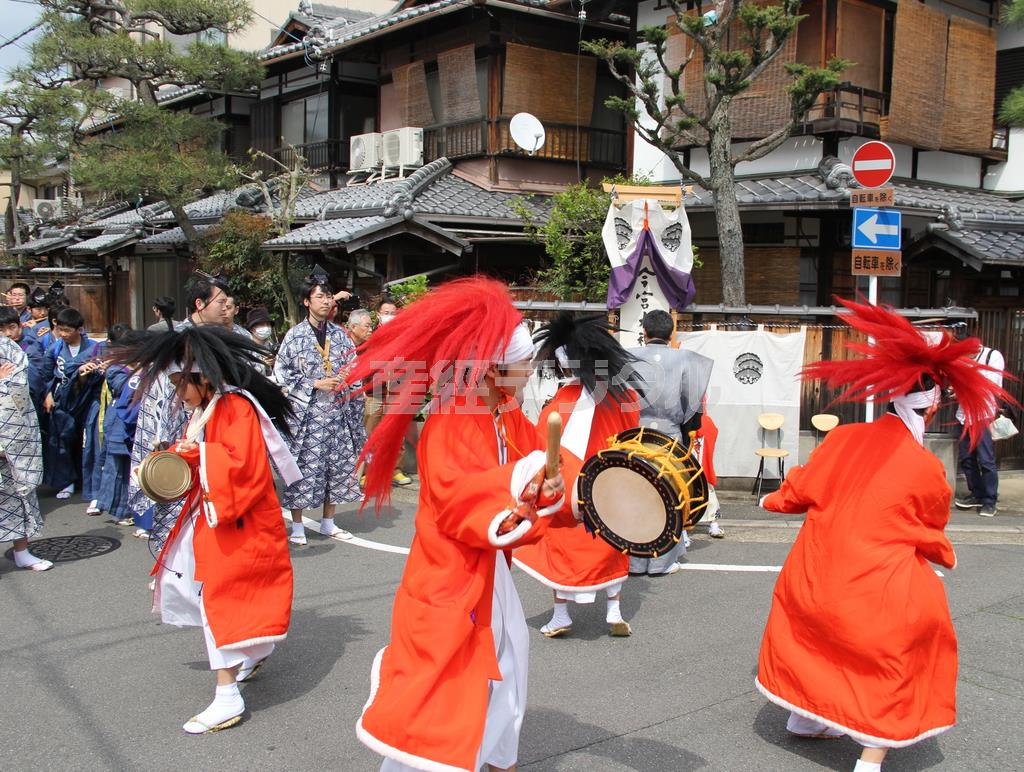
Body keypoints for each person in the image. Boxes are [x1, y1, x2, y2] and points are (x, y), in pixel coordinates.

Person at [755, 298, 1013, 772]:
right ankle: (871, 757)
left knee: (813, 638)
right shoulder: (928, 470)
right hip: (872, 591)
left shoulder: (844, 439)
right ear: (934, 404)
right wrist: (943, 556)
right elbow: (930, 533)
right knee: (915, 634)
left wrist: (769, 501)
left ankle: (806, 720)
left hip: (812, 581)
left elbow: (794, 494)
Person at [343, 276, 567, 772]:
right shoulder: (452, 416)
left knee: (500, 671)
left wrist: (558, 482)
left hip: (486, 576)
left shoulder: (502, 409)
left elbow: (542, 463)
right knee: (438, 695)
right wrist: (529, 479)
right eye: (524, 362)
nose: (530, 371)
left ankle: (491, 758)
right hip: (451, 575)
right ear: (494, 369)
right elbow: (460, 499)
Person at [110, 325, 301, 735]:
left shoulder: (234, 406)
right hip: (220, 516)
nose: (179, 390)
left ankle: (227, 694)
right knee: (219, 596)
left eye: (182, 381)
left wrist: (195, 454)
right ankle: (252, 653)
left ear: (203, 376)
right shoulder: (211, 406)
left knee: (220, 600)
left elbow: (242, 466)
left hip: (236, 519)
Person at [514, 312, 641, 638]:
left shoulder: (559, 402)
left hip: (569, 489)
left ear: (565, 364)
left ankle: (561, 615)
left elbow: (541, 446)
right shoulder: (623, 397)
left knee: (561, 546)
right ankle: (613, 611)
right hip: (612, 482)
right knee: (613, 542)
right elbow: (633, 436)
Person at [275, 269, 366, 545]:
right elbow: (282, 372)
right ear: (307, 301)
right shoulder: (294, 336)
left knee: (335, 467)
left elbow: (352, 366)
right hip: (308, 416)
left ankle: (329, 522)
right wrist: (314, 383)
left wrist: (344, 380)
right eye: (319, 297)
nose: (326, 302)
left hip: (337, 412)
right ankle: (299, 525)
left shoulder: (339, 335)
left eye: (328, 297)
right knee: (302, 468)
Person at [627, 309, 714, 574]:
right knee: (668, 496)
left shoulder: (626, 356)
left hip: (634, 435)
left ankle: (633, 560)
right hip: (670, 435)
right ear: (671, 334)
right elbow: (694, 407)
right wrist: (688, 431)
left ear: (644, 333)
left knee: (635, 495)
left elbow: (613, 397)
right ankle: (661, 562)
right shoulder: (686, 359)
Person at [0, 332, 52, 571]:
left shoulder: (7, 346)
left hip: (11, 431)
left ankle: (22, 551)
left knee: (19, 492)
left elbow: (17, 383)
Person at [42, 307, 102, 500]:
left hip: (87, 399)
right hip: (62, 399)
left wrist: (84, 374)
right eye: (60, 330)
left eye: (68, 330)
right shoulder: (55, 348)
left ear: (80, 329)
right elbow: (45, 375)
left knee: (87, 441)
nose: (63, 334)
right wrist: (48, 394)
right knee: (63, 439)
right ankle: (66, 481)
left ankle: (87, 480)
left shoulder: (93, 347)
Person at [952, 324, 1004, 517]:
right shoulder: (960, 360)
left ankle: (990, 500)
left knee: (986, 459)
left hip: (983, 415)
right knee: (966, 458)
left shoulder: (993, 356)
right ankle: (978, 493)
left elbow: (992, 386)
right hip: (963, 414)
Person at [93, 325, 138, 524]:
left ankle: (133, 508)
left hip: (134, 419)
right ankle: (119, 510)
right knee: (117, 467)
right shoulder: (113, 368)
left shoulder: (137, 364)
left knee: (132, 467)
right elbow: (122, 388)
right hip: (119, 419)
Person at [0, 306, 48, 420]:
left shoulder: (29, 351)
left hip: (24, 413)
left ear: (20, 326)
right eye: (1, 329)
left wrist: (5, 380)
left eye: (12, 327)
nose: (7, 333)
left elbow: (34, 386)